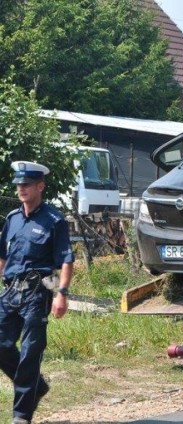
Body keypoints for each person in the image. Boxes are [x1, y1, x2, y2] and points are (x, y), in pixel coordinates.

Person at [0, 161, 75, 424]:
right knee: (1, 345)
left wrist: (61, 294)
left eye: (27, 184)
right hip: (10, 293)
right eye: (19, 184)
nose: (21, 189)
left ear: (40, 186)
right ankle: (37, 387)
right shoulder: (12, 219)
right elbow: (3, 257)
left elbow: (66, 260)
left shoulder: (54, 221)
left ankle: (22, 415)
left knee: (31, 352)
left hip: (37, 294)